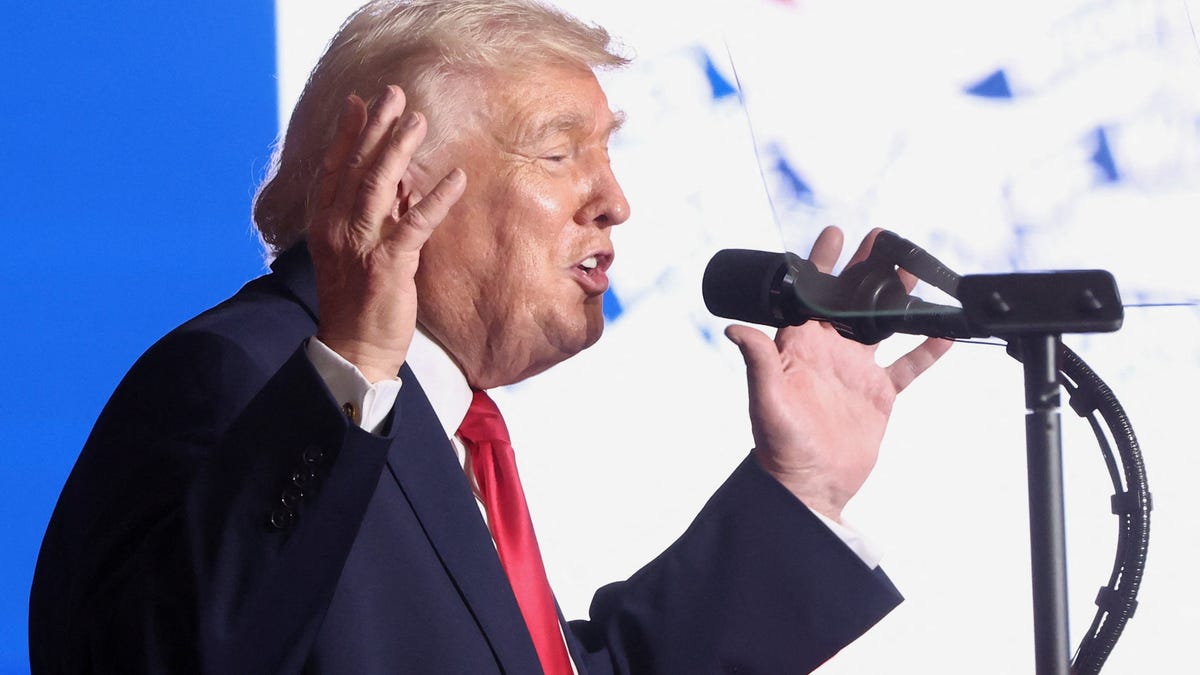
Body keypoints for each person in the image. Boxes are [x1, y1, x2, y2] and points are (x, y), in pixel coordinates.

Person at [28, 1, 951, 673]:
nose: (614, 200)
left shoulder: (438, 416)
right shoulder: (248, 376)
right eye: (558, 154)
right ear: (400, 191)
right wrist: (345, 371)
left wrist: (801, 490)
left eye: (607, 152)